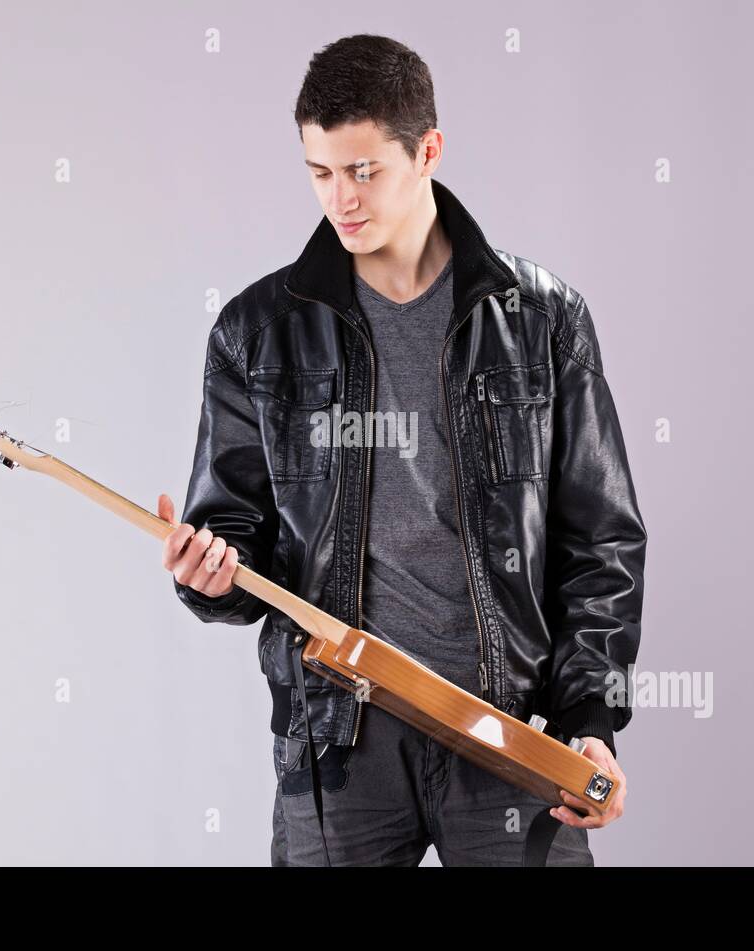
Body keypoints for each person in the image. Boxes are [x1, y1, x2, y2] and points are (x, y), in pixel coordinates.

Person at [159, 34, 647, 866]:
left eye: (362, 171)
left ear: (428, 150)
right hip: (339, 742)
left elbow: (600, 543)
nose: (340, 200)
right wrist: (209, 578)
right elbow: (235, 544)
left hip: (509, 734)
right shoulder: (257, 331)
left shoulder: (542, 319)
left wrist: (590, 722)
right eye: (319, 172)